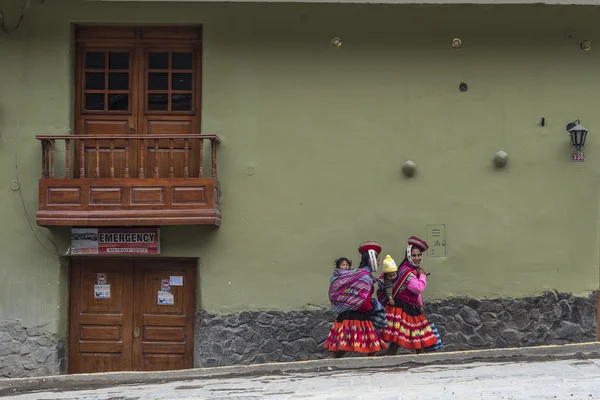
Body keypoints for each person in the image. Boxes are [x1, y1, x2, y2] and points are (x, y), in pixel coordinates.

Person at [324, 241, 388, 358]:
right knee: (371, 346)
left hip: (351, 315)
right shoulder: (364, 276)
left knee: (348, 346)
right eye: (378, 260)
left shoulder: (361, 274)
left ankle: (336, 364)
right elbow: (363, 299)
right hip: (356, 315)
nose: (378, 263)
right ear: (371, 260)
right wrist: (371, 307)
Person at [378, 236, 437, 355]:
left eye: (419, 255)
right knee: (399, 339)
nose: (417, 258)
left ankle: (420, 359)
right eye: (414, 255)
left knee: (416, 336)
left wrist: (420, 304)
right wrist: (423, 276)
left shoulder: (411, 269)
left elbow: (415, 293)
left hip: (411, 307)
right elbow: (417, 288)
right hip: (402, 308)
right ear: (409, 255)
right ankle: (388, 360)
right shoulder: (407, 271)